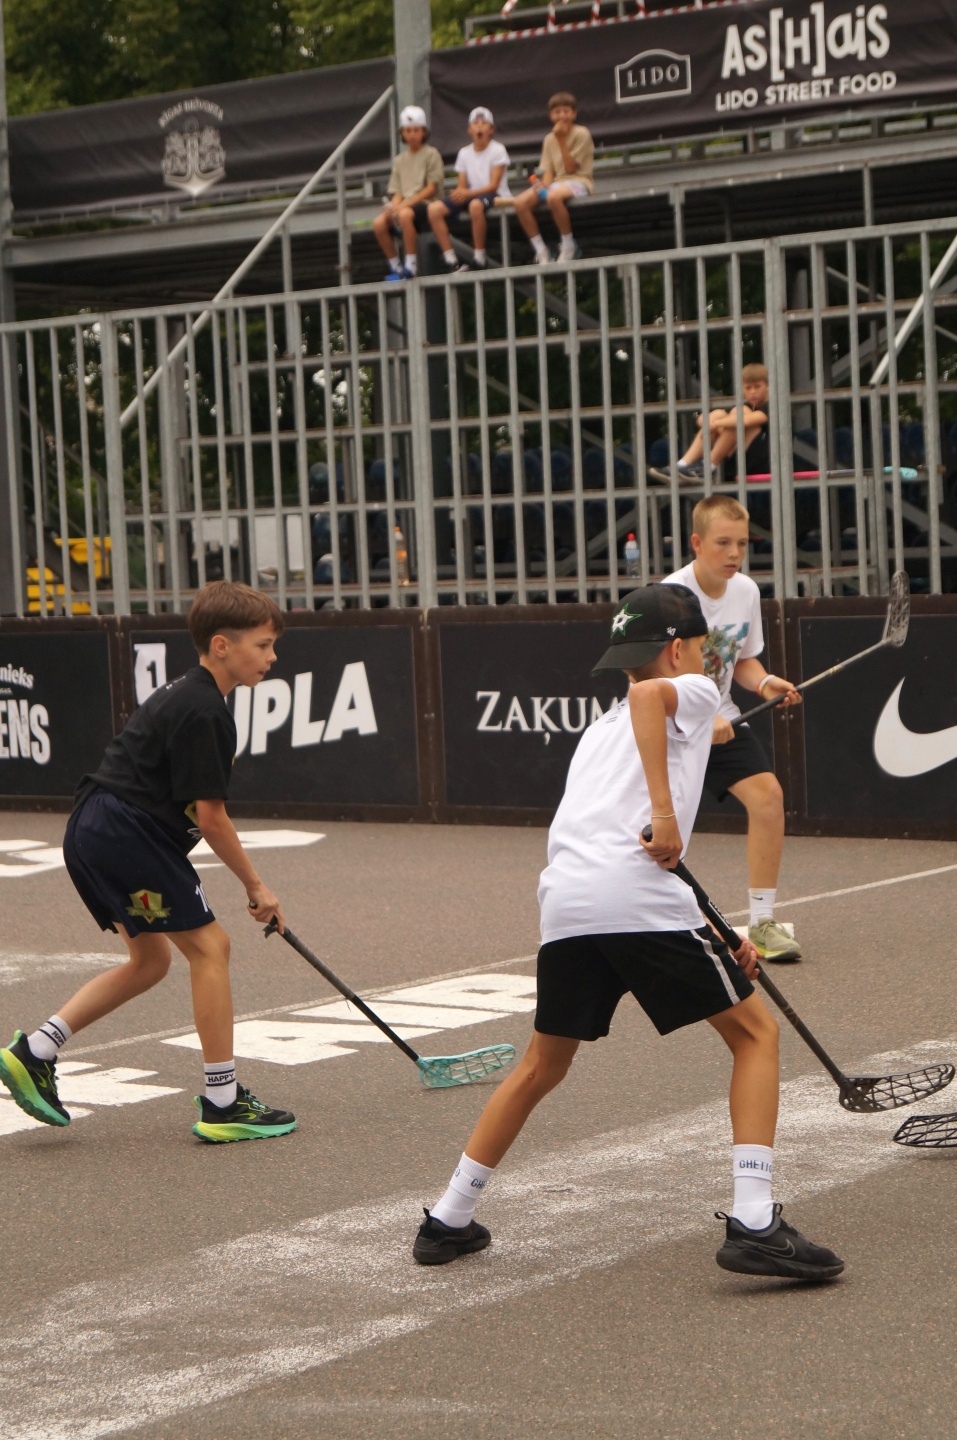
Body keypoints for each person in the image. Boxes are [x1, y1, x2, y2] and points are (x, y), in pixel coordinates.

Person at [412, 584, 843, 1282]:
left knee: (541, 1066)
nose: (705, 658)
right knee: (755, 1036)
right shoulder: (690, 691)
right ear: (676, 650)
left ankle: (448, 1219)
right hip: (635, 898)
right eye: (700, 646)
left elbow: (621, 828)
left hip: (569, 904)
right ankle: (755, 1222)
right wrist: (668, 814)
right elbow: (651, 731)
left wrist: (710, 927)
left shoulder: (598, 731)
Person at [0, 581, 297, 1144]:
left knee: (150, 961)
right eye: (263, 645)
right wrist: (257, 887)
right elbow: (211, 818)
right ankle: (223, 1103)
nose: (272, 656)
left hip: (97, 828)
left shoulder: (191, 694)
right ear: (221, 645)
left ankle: (35, 1051)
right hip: (124, 833)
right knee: (211, 947)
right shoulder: (205, 710)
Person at [664, 494, 802, 962]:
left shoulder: (745, 591)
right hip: (673, 722)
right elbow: (654, 679)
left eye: (742, 543)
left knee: (768, 798)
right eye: (723, 542)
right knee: (658, 827)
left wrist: (764, 683)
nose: (734, 553)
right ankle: (659, 922)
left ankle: (762, 922)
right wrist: (701, 717)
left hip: (723, 716)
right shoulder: (671, 596)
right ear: (697, 543)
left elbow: (741, 660)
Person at [512, 91, 593, 266]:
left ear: (574, 114)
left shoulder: (582, 133)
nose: (562, 115)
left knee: (553, 197)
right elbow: (549, 173)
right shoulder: (549, 139)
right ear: (551, 115)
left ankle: (568, 245)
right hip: (557, 184)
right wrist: (541, 185)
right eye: (557, 112)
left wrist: (561, 139)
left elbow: (571, 168)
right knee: (520, 203)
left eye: (566, 111)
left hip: (580, 181)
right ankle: (541, 251)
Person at [427, 106, 510, 273]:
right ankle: (450, 259)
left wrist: (466, 193)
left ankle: (479, 258)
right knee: (434, 209)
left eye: (484, 123)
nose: (479, 126)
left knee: (475, 206)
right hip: (471, 195)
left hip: (494, 195)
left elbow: (493, 185)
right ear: (469, 130)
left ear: (491, 130)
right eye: (475, 123)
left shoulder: (498, 149)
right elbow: (462, 185)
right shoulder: (464, 153)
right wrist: (459, 193)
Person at [373, 104, 446, 282]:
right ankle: (396, 266)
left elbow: (431, 188)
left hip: (428, 204)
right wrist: (392, 208)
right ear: (402, 133)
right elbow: (398, 191)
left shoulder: (431, 154)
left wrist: (402, 206)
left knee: (404, 214)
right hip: (406, 205)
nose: (412, 134)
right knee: (379, 223)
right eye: (408, 130)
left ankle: (411, 265)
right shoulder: (399, 160)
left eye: (416, 130)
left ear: (423, 132)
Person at [673, 363, 771, 481]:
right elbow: (704, 419)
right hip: (740, 458)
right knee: (719, 414)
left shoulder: (771, 405)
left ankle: (708, 465)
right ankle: (682, 464)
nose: (753, 392)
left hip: (766, 459)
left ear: (767, 386)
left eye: (757, 386)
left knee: (738, 415)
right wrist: (706, 420)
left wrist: (715, 423)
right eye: (748, 388)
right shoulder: (748, 405)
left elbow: (747, 420)